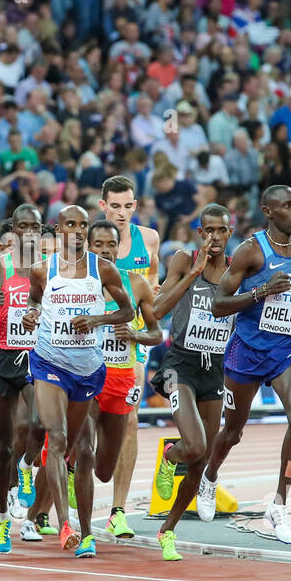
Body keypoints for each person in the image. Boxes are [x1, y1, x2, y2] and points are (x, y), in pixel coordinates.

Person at [195, 186, 291, 543]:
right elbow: (218, 304)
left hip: (286, 348)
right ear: (269, 211)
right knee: (233, 432)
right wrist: (261, 292)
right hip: (247, 351)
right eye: (288, 206)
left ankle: (279, 502)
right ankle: (209, 477)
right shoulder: (250, 251)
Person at [21, 204, 132, 558]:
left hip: (87, 369)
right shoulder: (42, 270)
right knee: (56, 437)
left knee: (82, 451)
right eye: (71, 224)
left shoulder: (104, 269)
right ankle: (64, 523)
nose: (79, 230)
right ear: (58, 230)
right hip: (49, 362)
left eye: (83, 224)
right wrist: (32, 314)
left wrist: (98, 318)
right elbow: (34, 301)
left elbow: (128, 312)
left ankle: (86, 534)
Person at [149, 204, 236, 561]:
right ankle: (170, 458)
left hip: (214, 368)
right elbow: (156, 310)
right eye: (208, 231)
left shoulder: (236, 271)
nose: (214, 237)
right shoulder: (185, 260)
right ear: (200, 232)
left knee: (202, 460)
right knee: (195, 444)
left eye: (221, 231)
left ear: (229, 234)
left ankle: (167, 530)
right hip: (178, 364)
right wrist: (193, 274)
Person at [79, 219, 161, 538]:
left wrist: (136, 334)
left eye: (110, 245)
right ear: (87, 247)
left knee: (114, 450)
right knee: (81, 442)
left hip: (120, 375)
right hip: (83, 374)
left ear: (118, 248)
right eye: (97, 245)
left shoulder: (136, 283)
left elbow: (156, 333)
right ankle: (74, 515)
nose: (105, 251)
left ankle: (118, 511)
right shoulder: (75, 284)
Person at [0, 205, 44, 552]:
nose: (29, 232)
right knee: (0, 445)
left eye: (35, 226)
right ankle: (2, 520)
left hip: (36, 356)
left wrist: (38, 313)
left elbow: (53, 308)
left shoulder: (47, 270)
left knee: (40, 421)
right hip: (1, 357)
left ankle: (27, 465)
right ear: (12, 231)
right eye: (23, 226)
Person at [96, 175, 160, 537]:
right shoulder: (93, 242)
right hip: (89, 341)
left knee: (130, 422)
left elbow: (152, 290)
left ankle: (118, 510)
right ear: (102, 206)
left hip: (130, 345)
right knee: (82, 422)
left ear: (136, 205)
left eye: (128, 206)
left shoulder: (148, 239)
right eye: (115, 206)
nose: (122, 213)